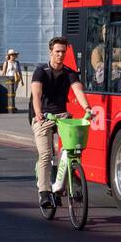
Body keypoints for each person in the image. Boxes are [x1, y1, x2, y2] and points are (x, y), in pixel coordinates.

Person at [30, 36, 92, 210]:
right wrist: (38, 112)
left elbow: (78, 91)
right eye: (57, 51)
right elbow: (36, 94)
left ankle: (62, 183)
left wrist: (87, 108)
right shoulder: (41, 71)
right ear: (51, 52)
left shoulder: (69, 72)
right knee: (46, 155)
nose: (60, 55)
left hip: (62, 116)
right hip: (43, 116)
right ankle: (44, 192)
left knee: (71, 150)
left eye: (63, 52)